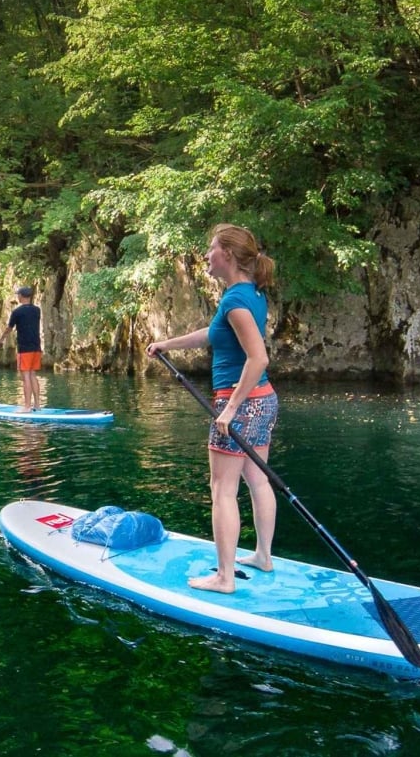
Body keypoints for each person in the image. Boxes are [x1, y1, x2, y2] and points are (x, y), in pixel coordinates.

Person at [146, 224, 277, 594]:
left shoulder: (235, 301)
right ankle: (263, 556)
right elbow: (212, 333)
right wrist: (166, 344)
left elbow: (258, 357)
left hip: (241, 403)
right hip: (263, 400)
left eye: (211, 249)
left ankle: (224, 577)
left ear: (229, 256)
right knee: (257, 479)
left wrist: (230, 408)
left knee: (222, 489)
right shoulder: (249, 294)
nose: (206, 255)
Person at [0, 285, 42, 411]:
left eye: (18, 294)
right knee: (33, 374)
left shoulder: (17, 312)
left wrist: (1, 340)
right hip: (36, 347)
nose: (17, 296)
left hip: (25, 348)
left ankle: (27, 406)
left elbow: (9, 328)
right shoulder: (37, 310)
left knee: (26, 376)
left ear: (21, 296)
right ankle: (37, 406)